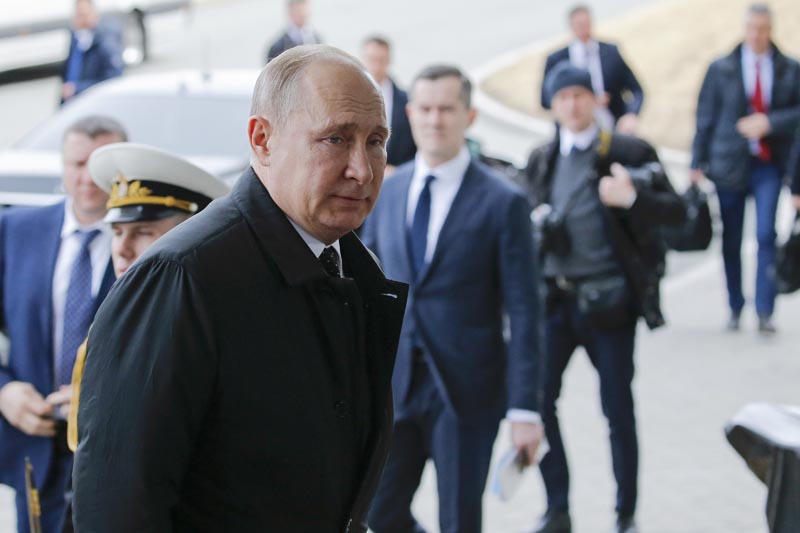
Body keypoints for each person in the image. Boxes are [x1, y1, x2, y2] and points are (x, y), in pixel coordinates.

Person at [72, 44, 407, 532]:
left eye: (376, 140)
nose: (362, 168)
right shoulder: (182, 277)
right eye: (335, 138)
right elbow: (118, 506)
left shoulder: (354, 266)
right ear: (262, 140)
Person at [362, 64, 543, 533]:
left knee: (459, 520)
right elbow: (367, 291)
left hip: (466, 392)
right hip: (397, 388)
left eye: (446, 109)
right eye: (424, 109)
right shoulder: (387, 191)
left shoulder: (504, 202)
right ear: (409, 115)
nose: (434, 120)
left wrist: (525, 408)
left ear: (470, 116)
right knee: (376, 514)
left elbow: (525, 311)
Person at [520, 63, 685, 533]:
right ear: (552, 106)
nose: (572, 105)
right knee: (537, 402)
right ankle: (557, 508)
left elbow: (678, 213)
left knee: (617, 410)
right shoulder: (542, 158)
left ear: (596, 100)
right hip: (555, 303)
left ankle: (625, 513)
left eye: (579, 95)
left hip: (610, 304)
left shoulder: (628, 151)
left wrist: (631, 199)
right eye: (562, 97)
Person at [0, 115, 127, 533]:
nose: (86, 178)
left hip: (111, 456)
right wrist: (4, 390)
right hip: (33, 448)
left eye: (98, 164)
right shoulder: (16, 229)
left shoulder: (145, 239)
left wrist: (101, 401)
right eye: (76, 164)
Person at [66, 141, 230, 452]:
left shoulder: (212, 323)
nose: (122, 249)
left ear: (195, 236)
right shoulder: (120, 316)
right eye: (117, 232)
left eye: (143, 232)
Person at [690, 3, 800, 334]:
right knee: (731, 239)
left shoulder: (789, 68)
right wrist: (697, 162)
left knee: (766, 234)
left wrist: (770, 122)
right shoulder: (721, 68)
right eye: (752, 28)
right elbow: (705, 116)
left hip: (769, 162)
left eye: (763, 29)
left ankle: (765, 309)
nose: (757, 35)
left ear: (771, 30)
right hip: (729, 161)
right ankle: (735, 305)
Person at [541, 4, 643, 134]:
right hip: (572, 127)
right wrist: (584, 101)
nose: (583, 28)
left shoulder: (611, 52)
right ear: (571, 26)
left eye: (585, 23)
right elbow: (545, 99)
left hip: (611, 120)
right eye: (578, 24)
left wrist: (631, 114)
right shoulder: (557, 59)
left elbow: (636, 89)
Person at [360, 35, 416, 173]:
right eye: (371, 59)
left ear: (389, 61)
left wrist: (398, 172)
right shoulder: (345, 97)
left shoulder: (407, 100)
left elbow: (417, 149)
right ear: (362, 60)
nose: (376, 66)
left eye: (381, 60)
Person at [61, 0, 124, 104]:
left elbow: (112, 80)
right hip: (73, 102)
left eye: (83, 14)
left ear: (94, 14)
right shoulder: (76, 38)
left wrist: (77, 89)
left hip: (92, 102)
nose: (79, 19)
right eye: (77, 14)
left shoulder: (106, 44)